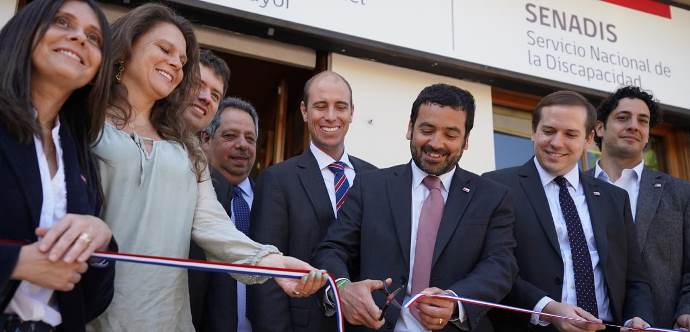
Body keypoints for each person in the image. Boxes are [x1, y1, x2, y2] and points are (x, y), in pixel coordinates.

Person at [87, 4, 326, 332]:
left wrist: (270, 261)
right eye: (165, 49)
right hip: (91, 309)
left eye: (182, 61)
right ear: (128, 46)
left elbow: (211, 223)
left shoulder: (186, 147)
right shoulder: (82, 122)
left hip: (167, 316)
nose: (175, 63)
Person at [313, 83, 518, 331]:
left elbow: (501, 265)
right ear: (410, 129)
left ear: (465, 141)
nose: (436, 143)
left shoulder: (492, 196)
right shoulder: (370, 186)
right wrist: (343, 288)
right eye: (426, 129)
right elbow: (332, 248)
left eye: (451, 135)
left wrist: (456, 300)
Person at [483, 91, 653, 331]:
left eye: (570, 134)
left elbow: (635, 278)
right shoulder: (496, 187)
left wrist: (636, 317)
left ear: (588, 139)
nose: (556, 143)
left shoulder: (614, 199)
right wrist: (546, 308)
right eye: (549, 131)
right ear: (534, 131)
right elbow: (491, 267)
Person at [0, 1, 116, 331]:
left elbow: (91, 300)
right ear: (26, 31)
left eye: (94, 38)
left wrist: (102, 241)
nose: (80, 37)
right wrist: (15, 263)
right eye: (62, 22)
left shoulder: (79, 155)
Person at [249, 71, 377, 332]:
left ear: (352, 112)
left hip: (370, 323)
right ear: (305, 112)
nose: (331, 116)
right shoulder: (277, 180)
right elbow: (267, 274)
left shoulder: (377, 178)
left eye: (340, 107)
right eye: (320, 106)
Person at [588, 86, 690, 329]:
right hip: (586, 324)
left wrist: (686, 310)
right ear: (600, 128)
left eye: (642, 121)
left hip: (661, 324)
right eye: (623, 118)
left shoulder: (681, 193)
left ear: (647, 134)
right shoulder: (573, 189)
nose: (634, 125)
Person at [190, 96, 261, 332]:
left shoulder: (271, 200)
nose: (243, 145)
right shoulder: (187, 196)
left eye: (250, 138)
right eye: (230, 136)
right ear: (206, 140)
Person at [183, 49, 237, 332]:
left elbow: (218, 241)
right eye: (198, 85)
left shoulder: (209, 177)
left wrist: (272, 262)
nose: (206, 97)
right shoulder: (112, 137)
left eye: (215, 95)